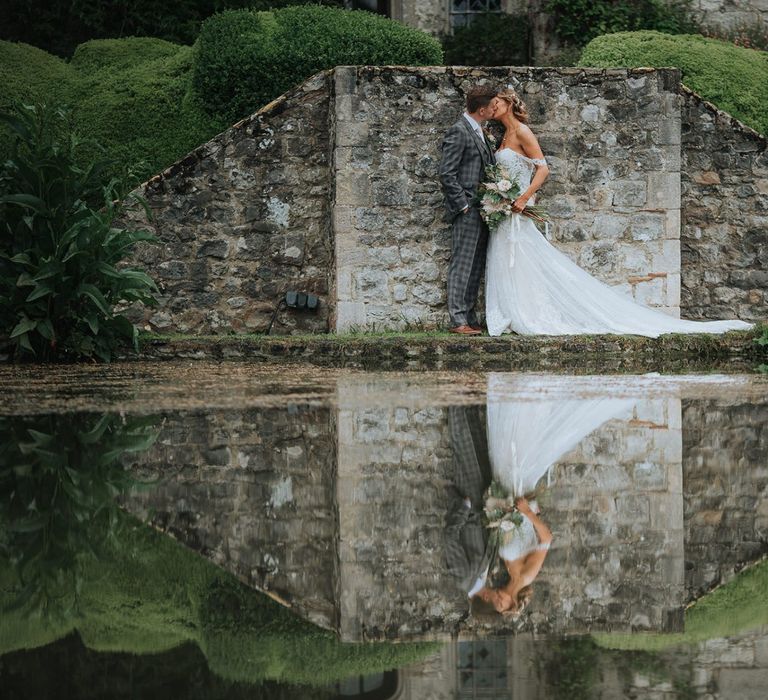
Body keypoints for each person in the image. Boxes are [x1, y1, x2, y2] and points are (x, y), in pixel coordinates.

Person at [484, 87, 754, 337]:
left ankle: (530, 313)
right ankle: (514, 310)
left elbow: (543, 169)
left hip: (519, 206)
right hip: (506, 209)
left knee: (527, 256)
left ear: (508, 102)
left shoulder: (522, 132)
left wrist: (523, 197)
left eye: (495, 102)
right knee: (514, 258)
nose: (492, 107)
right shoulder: (503, 135)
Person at [438, 85, 500, 336]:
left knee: (475, 266)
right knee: (462, 264)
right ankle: (457, 320)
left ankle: (470, 317)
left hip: (483, 209)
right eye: (493, 105)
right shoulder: (459, 131)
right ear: (482, 109)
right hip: (467, 210)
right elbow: (446, 174)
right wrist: (462, 205)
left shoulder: (480, 131)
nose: (496, 108)